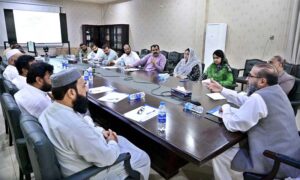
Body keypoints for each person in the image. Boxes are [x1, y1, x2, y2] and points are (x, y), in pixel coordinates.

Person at [39, 68, 151, 179]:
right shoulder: (74, 126)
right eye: (83, 86)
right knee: (142, 157)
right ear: (71, 92)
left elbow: (83, 125)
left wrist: (101, 132)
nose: (87, 89)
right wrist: (112, 141)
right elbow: (107, 158)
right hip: (90, 173)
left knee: (121, 139)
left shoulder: (50, 111)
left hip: (74, 161)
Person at [206, 63, 300, 179]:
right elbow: (248, 100)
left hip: (275, 161)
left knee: (220, 153)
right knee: (233, 144)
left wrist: (226, 109)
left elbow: (233, 125)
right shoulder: (277, 91)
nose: (246, 79)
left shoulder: (259, 98)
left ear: (262, 81)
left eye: (250, 76)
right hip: (291, 156)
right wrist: (222, 90)